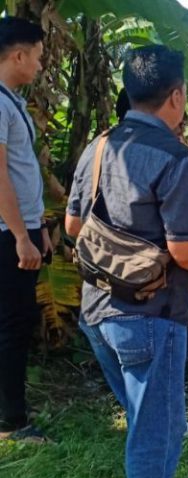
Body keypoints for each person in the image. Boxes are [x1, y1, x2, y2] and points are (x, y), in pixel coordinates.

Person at [65, 45, 188, 478]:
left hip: (97, 311)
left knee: (147, 420)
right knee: (156, 430)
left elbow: (74, 228)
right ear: (176, 96)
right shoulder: (176, 160)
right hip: (150, 317)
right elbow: (184, 251)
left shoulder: (99, 146)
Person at [0, 17, 50, 443]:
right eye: (36, 56)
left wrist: (38, 227)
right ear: (17, 55)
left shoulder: (9, 100)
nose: (39, 65)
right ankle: (11, 422)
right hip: (6, 233)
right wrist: (19, 235)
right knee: (12, 323)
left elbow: (22, 170)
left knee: (16, 320)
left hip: (22, 228)